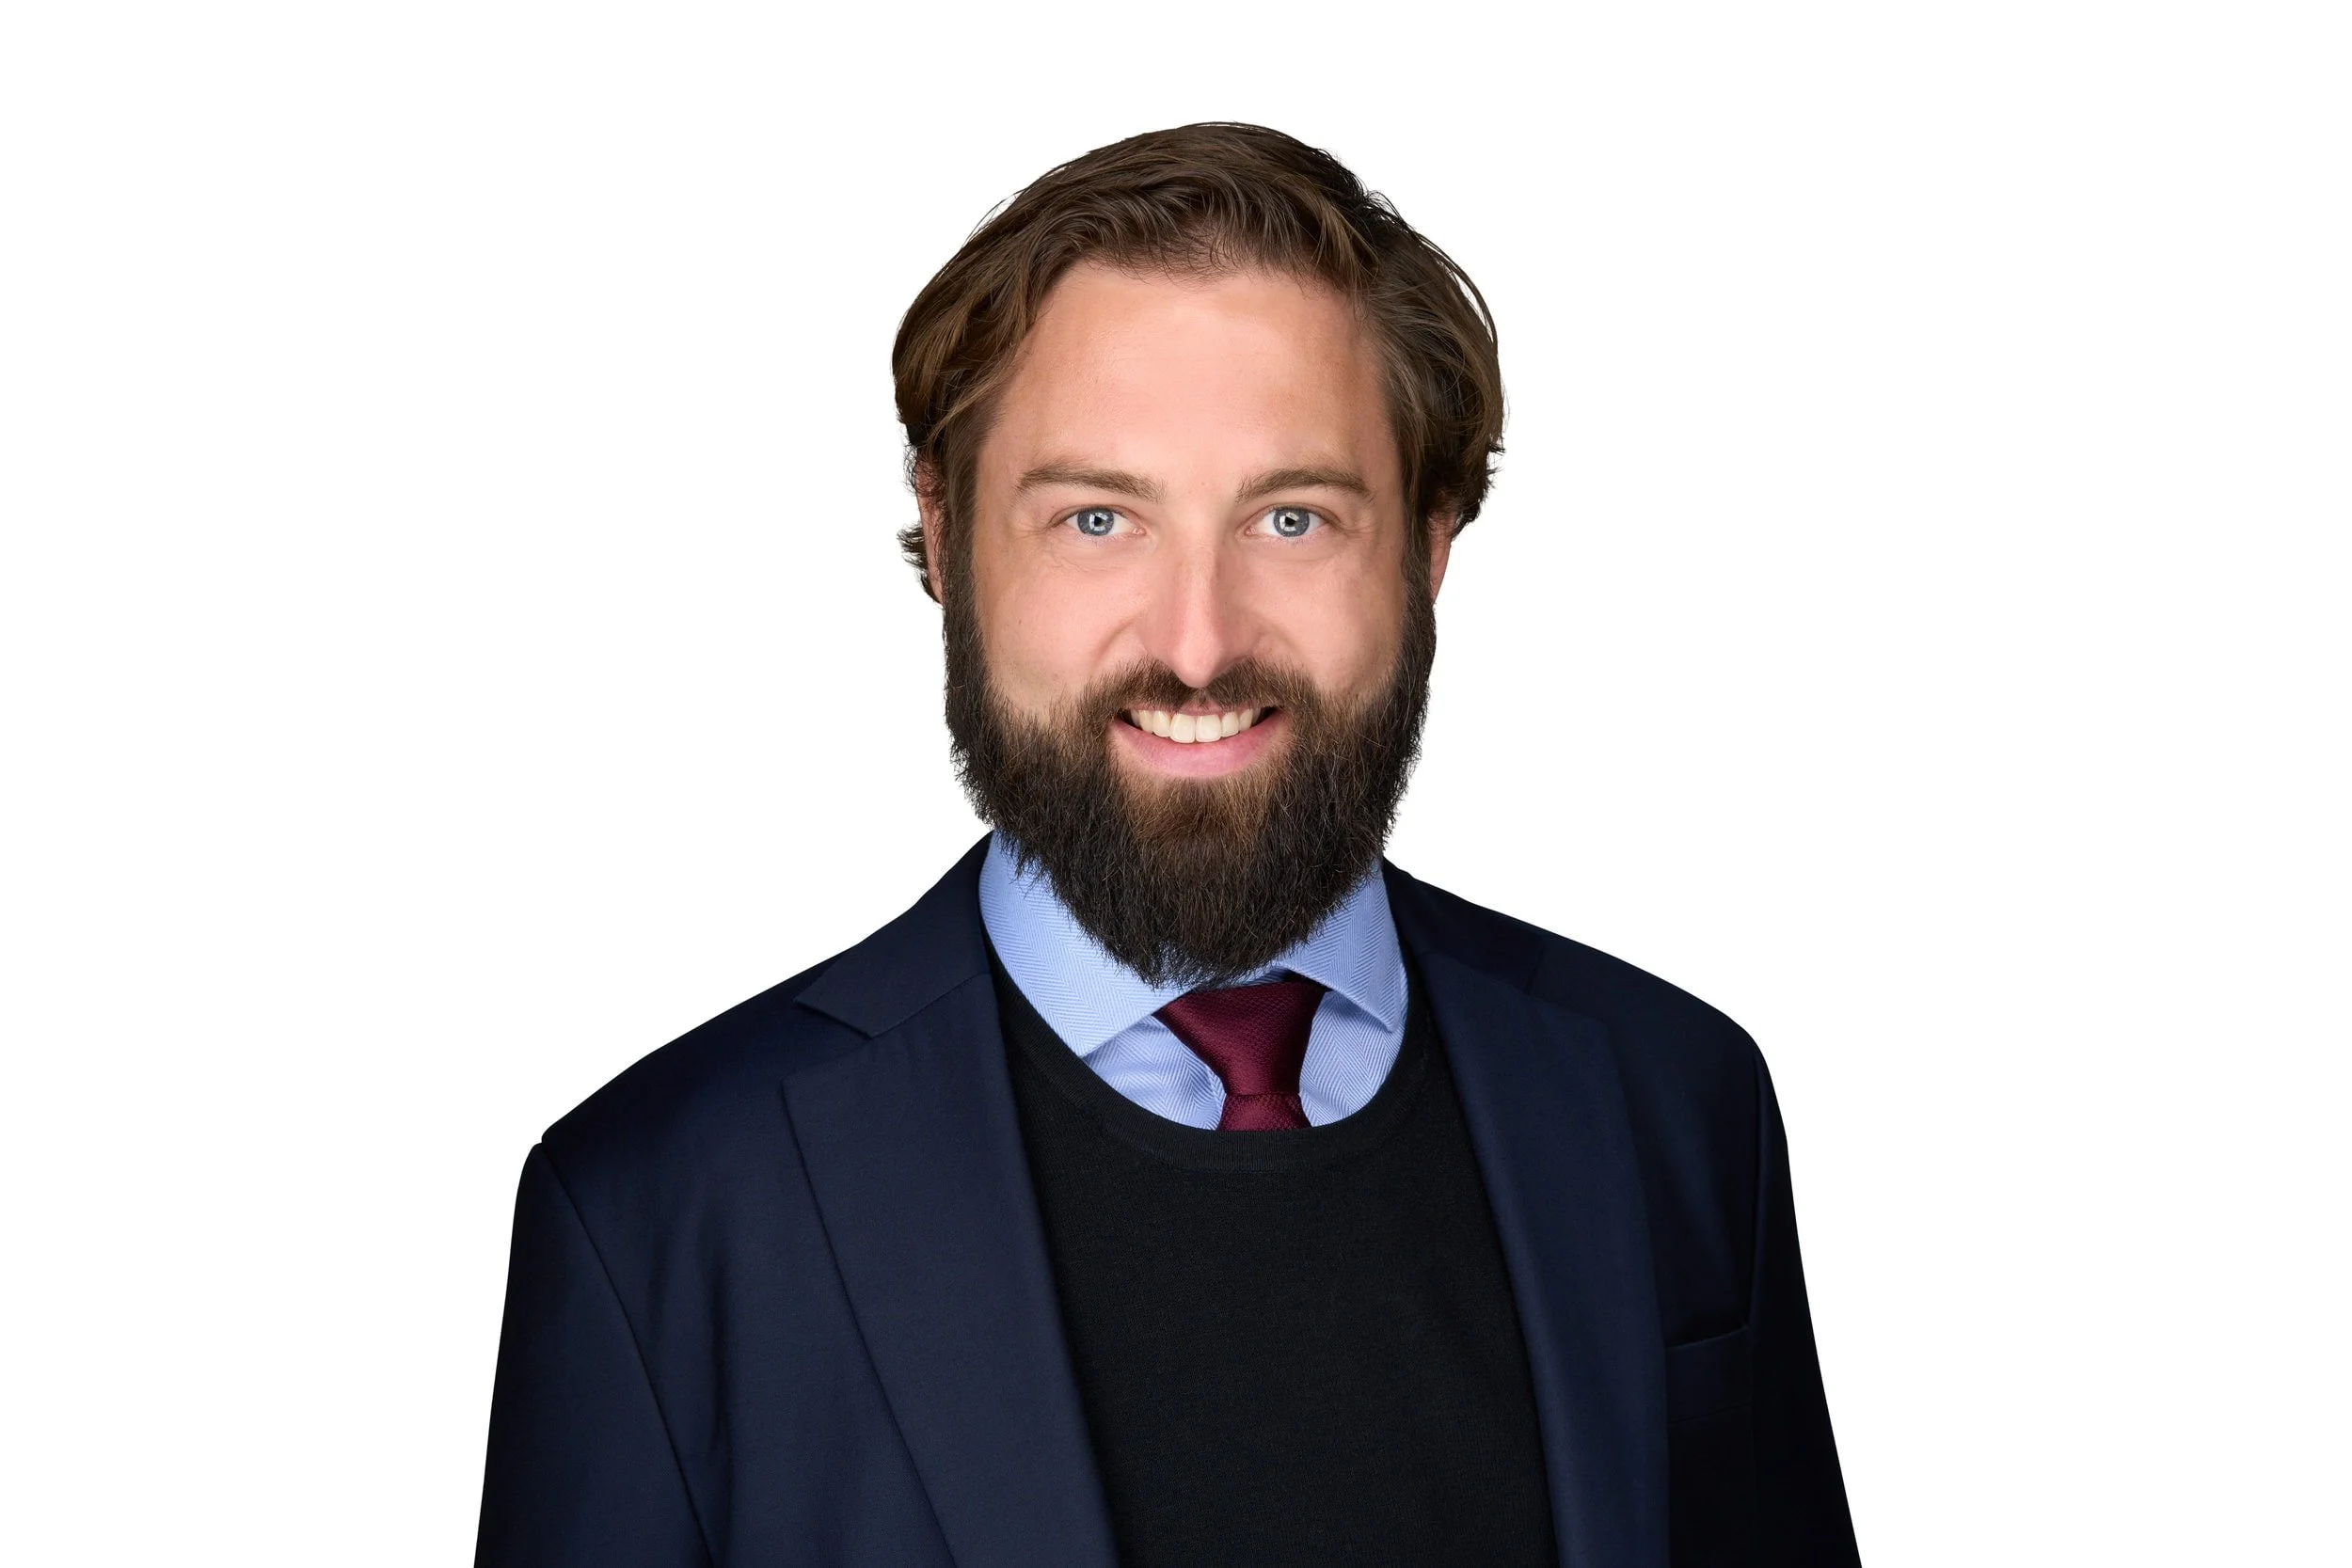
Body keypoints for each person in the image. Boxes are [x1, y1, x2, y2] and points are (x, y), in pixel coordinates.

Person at [475, 122, 1861, 1568]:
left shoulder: (1674, 1103)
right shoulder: (661, 1206)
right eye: (1095, 518)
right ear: (943, 539)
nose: (1198, 642)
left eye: (1291, 515)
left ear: (1429, 543)